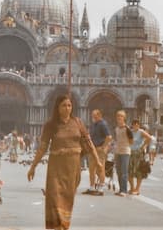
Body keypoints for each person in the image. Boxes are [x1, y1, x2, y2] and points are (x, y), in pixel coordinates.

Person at [27, 94, 100, 230]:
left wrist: (99, 163)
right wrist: (33, 167)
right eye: (64, 105)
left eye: (69, 105)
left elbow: (89, 143)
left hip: (73, 168)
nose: (67, 108)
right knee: (55, 199)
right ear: (57, 108)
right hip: (56, 167)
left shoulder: (77, 122)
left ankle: (63, 227)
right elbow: (42, 147)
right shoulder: (50, 125)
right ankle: (58, 227)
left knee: (67, 201)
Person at [82, 109, 112, 196]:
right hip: (93, 149)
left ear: (99, 115)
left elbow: (109, 137)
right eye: (92, 116)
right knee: (91, 169)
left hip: (99, 149)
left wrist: (103, 147)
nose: (93, 117)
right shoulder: (94, 124)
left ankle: (101, 189)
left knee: (100, 168)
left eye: (94, 116)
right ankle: (92, 187)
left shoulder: (103, 124)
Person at [128, 119, 152, 195]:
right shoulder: (130, 132)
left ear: (139, 125)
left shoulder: (141, 131)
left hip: (139, 153)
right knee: (129, 171)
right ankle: (132, 188)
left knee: (139, 171)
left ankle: (137, 189)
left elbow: (149, 138)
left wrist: (143, 146)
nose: (135, 125)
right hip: (130, 153)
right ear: (132, 125)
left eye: (137, 124)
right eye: (134, 124)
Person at [114, 110, 132, 197]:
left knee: (124, 171)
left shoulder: (127, 129)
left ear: (124, 118)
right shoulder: (116, 129)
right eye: (118, 116)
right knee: (118, 171)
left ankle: (124, 190)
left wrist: (125, 145)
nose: (119, 118)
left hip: (125, 151)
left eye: (121, 116)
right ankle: (120, 189)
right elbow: (116, 140)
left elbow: (131, 140)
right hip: (117, 151)